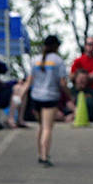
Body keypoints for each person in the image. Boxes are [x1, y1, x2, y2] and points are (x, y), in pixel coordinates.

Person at [29, 34, 70, 165]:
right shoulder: (58, 61)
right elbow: (62, 82)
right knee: (47, 128)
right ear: (56, 46)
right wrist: (69, 96)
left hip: (36, 96)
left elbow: (30, 80)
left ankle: (39, 152)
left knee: (40, 126)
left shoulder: (35, 60)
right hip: (50, 96)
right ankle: (45, 156)